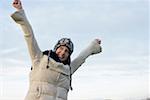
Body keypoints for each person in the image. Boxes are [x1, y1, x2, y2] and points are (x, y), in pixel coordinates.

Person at [11, 0, 102, 100]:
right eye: (61, 48)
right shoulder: (39, 58)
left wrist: (93, 45)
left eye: (67, 51)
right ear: (56, 48)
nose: (63, 53)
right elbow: (29, 36)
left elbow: (80, 59)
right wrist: (20, 12)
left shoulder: (68, 69)